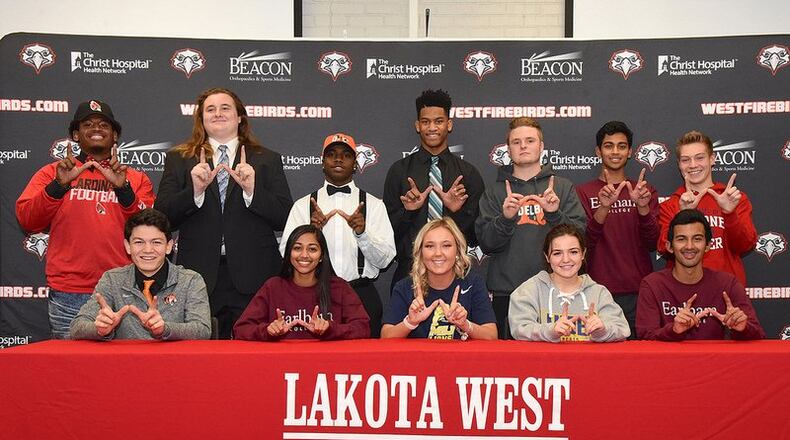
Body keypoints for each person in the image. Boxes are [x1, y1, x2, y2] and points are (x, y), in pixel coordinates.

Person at [155, 88, 292, 339]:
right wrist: (195, 191)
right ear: (201, 118)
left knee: (253, 361)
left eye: (225, 108)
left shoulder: (267, 159)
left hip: (255, 275)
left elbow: (284, 216)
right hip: (198, 277)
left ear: (240, 117)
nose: (218, 113)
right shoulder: (179, 158)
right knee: (201, 364)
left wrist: (252, 190)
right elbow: (162, 218)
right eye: (210, 109)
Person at [16, 99, 155, 339]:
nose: (96, 128)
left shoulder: (134, 178)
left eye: (104, 124)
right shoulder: (53, 173)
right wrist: (58, 187)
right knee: (71, 372)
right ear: (75, 135)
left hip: (123, 289)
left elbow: (147, 231)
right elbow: (27, 220)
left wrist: (124, 191)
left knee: (127, 371)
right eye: (88, 124)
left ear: (115, 136)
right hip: (70, 291)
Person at [476, 117, 586, 339]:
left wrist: (554, 213)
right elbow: (486, 244)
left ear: (541, 146)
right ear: (508, 149)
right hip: (508, 293)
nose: (523, 146)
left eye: (529, 140)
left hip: (557, 292)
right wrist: (505, 218)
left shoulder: (562, 187)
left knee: (555, 367)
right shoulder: (495, 192)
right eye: (516, 142)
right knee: (508, 367)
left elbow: (581, 238)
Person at [280, 132, 395, 337]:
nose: (338, 159)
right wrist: (311, 232)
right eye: (331, 154)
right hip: (314, 295)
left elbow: (385, 260)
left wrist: (362, 234)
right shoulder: (302, 205)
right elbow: (285, 254)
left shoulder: (375, 206)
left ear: (355, 163)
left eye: (346, 155)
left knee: (365, 363)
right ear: (323, 162)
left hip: (361, 294)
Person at [383, 89, 484, 291]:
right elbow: (387, 235)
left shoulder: (468, 173)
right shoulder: (399, 172)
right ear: (417, 126)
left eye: (438, 121)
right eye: (425, 122)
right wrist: (409, 212)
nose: (432, 127)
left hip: (457, 272)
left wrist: (458, 212)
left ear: (449, 124)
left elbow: (477, 237)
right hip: (409, 272)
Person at [70, 208, 211, 340]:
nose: (148, 250)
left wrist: (165, 329)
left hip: (174, 363)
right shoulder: (112, 279)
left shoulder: (190, 280)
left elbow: (202, 330)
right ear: (127, 246)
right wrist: (99, 329)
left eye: (156, 242)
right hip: (126, 363)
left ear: (168, 246)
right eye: (139, 242)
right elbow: (77, 327)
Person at [575, 121, 659, 338]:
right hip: (597, 291)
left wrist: (642, 207)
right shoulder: (583, 192)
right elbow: (584, 244)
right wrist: (604, 208)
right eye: (608, 145)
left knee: (639, 364)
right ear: (598, 151)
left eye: (621, 146)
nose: (615, 151)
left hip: (639, 292)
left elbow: (653, 242)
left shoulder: (644, 191)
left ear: (630, 152)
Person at [637, 209, 764, 340]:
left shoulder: (727, 284)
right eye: (681, 239)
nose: (689, 246)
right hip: (668, 360)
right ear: (669, 246)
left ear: (708, 245)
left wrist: (743, 328)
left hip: (715, 360)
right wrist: (674, 330)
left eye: (697, 239)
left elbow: (758, 333)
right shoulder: (652, 285)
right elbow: (644, 336)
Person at [233, 225, 370, 341]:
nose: (304, 255)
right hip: (282, 365)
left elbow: (363, 328)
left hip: (326, 366)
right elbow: (240, 329)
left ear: (322, 256)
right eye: (297, 248)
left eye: (312, 249)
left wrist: (331, 328)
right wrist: (267, 331)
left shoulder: (339, 287)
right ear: (289, 253)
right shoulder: (273, 286)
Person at [658, 130, 756, 286]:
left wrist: (729, 213)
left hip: (727, 292)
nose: (693, 165)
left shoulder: (734, 199)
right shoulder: (671, 205)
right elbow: (664, 248)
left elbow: (745, 245)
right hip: (683, 293)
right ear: (679, 165)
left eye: (700, 157)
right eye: (685, 160)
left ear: (712, 159)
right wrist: (682, 214)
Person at [509, 224, 630, 342]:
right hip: (545, 361)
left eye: (573, 252)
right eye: (557, 253)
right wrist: (550, 331)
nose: (566, 259)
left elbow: (622, 330)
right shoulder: (529, 290)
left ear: (583, 254)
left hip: (588, 362)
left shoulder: (599, 292)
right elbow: (519, 329)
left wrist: (603, 330)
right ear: (547, 257)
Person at [381, 217, 497, 340]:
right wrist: (410, 322)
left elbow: (491, 335)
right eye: (430, 246)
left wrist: (465, 324)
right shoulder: (404, 287)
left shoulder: (473, 283)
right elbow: (385, 336)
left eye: (446, 246)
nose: (438, 253)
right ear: (420, 252)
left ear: (457, 251)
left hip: (460, 359)